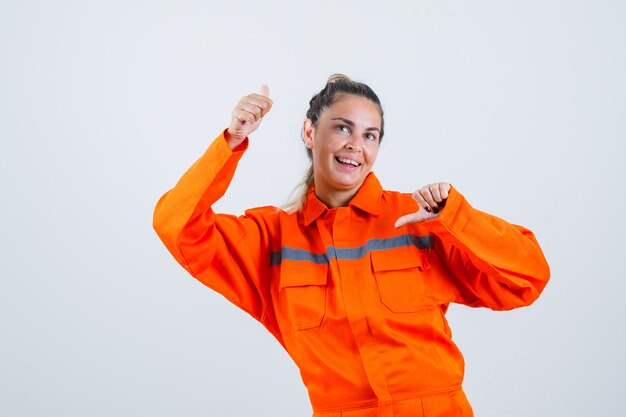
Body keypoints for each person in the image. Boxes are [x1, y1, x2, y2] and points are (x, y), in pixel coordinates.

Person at [153, 75, 550, 417]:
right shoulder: (270, 239)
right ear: (310, 132)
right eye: (343, 128)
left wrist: (456, 218)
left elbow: (527, 277)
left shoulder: (417, 219)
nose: (355, 145)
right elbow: (177, 225)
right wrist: (231, 141)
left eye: (369, 135)